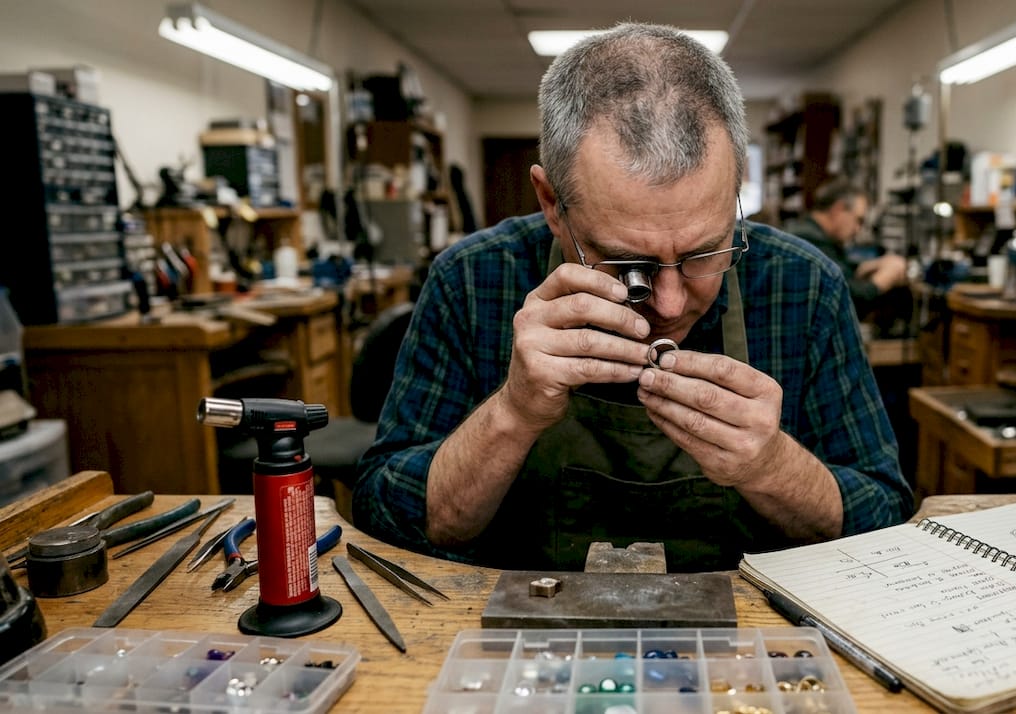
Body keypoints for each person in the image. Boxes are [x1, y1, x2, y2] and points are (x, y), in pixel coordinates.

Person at [353, 23, 913, 572]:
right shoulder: (473, 280)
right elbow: (387, 517)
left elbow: (885, 518)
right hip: (526, 636)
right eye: (629, 265)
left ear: (736, 186)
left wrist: (771, 466)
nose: (669, 305)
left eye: (705, 252)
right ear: (552, 203)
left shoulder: (804, 284)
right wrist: (512, 414)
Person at [783, 179, 908, 319]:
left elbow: (839, 270)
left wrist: (867, 266)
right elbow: (846, 301)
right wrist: (883, 279)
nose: (857, 229)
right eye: (858, 220)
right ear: (838, 210)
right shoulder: (808, 240)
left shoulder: (814, 235)